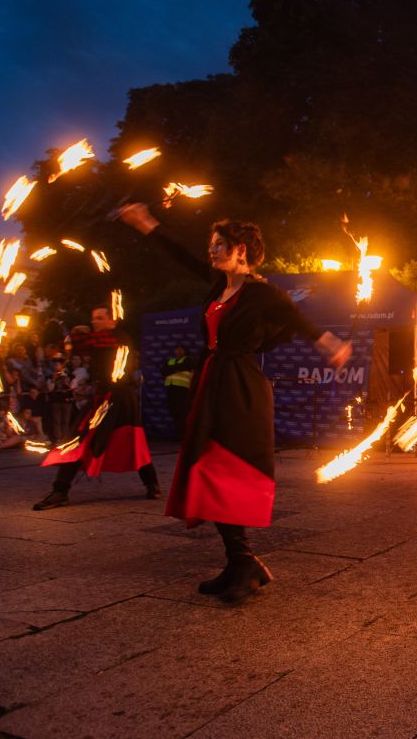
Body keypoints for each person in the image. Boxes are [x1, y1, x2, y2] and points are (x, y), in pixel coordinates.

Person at [117, 203, 351, 603]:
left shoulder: (261, 294)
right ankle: (240, 563)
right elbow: (181, 255)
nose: (211, 251)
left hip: (240, 386)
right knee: (208, 467)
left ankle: (243, 564)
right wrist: (147, 225)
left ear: (241, 249)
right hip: (213, 381)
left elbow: (294, 318)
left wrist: (327, 341)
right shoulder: (217, 287)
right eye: (211, 245)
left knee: (221, 466)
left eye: (219, 244)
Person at [33, 306, 159, 509]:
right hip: (101, 399)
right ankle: (60, 490)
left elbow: (95, 342)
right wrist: (70, 336)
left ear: (112, 321)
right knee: (77, 440)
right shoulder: (97, 340)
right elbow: (69, 349)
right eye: (93, 318)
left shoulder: (120, 337)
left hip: (122, 399)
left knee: (131, 443)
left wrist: (78, 335)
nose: (95, 322)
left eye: (100, 318)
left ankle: (151, 483)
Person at [162, 345, 194, 439]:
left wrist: (171, 369)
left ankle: (184, 434)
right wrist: (176, 368)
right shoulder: (171, 360)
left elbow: (185, 366)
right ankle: (178, 433)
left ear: (184, 351)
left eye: (181, 349)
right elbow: (163, 370)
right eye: (177, 349)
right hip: (171, 388)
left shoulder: (188, 359)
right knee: (173, 410)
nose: (178, 351)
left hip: (182, 389)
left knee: (182, 411)